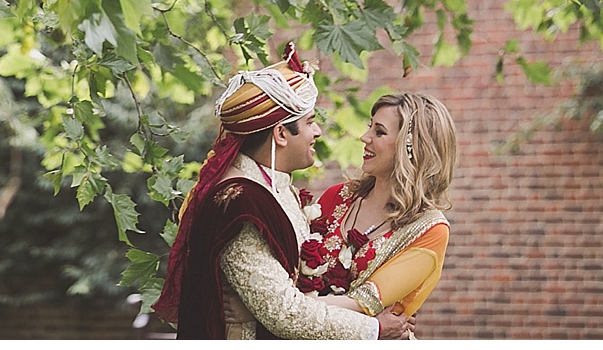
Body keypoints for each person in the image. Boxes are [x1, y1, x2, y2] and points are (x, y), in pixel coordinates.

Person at [151, 46, 414, 339]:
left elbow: (286, 292)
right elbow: (284, 312)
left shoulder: (272, 185)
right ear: (280, 134)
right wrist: (374, 329)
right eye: (310, 122)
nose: (317, 132)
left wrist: (255, 311)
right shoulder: (240, 202)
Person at [295, 93, 457, 322]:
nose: (364, 137)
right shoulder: (337, 196)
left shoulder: (431, 230)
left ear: (411, 148)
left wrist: (291, 304)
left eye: (379, 132)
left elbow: (366, 302)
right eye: (369, 127)